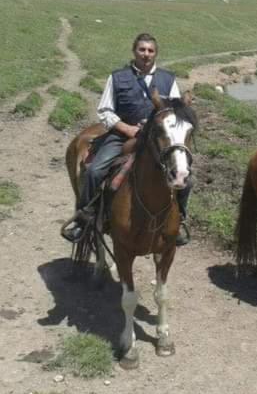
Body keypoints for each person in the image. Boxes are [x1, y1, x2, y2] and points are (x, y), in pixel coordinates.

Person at [65, 33, 192, 245]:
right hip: (120, 134)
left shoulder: (168, 79)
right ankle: (83, 218)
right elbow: (105, 110)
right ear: (134, 51)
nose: (146, 54)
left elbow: (174, 111)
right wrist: (127, 128)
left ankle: (179, 220)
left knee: (185, 176)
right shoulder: (117, 77)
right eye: (142, 49)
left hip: (156, 136)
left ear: (155, 53)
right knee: (95, 170)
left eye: (150, 50)